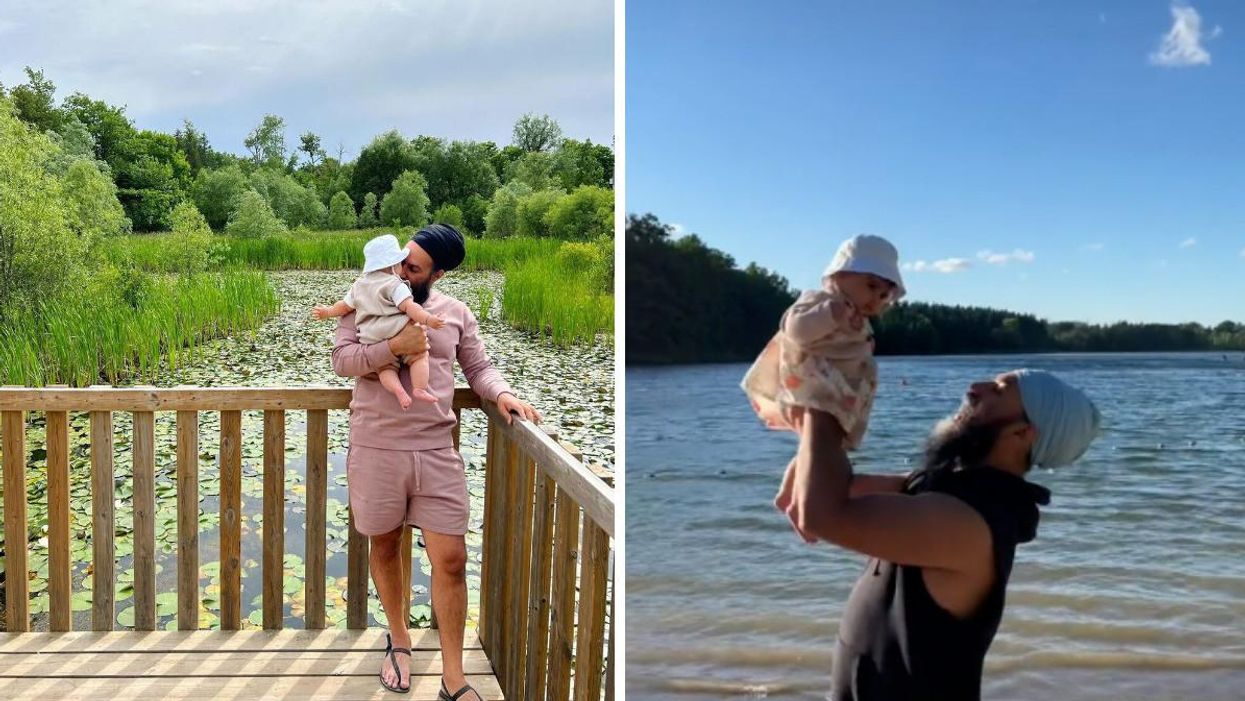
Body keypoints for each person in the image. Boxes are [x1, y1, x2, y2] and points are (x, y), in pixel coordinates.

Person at [784, 369, 1100, 700]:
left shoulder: (971, 521)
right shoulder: (946, 486)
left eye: (997, 391)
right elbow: (841, 489)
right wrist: (808, 446)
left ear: (1022, 433)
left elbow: (823, 514)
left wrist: (819, 405)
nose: (975, 388)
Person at [331, 223, 542, 699]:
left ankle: (454, 678)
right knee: (384, 547)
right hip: (376, 447)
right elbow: (341, 360)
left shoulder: (456, 313)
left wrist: (503, 394)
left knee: (451, 559)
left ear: (437, 273)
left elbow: (479, 368)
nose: (401, 270)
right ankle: (400, 642)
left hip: (435, 449)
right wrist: (392, 349)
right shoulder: (365, 293)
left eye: (414, 267)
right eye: (402, 259)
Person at [741, 234, 905, 539]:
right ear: (839, 274)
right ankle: (809, 513)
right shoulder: (823, 301)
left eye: (884, 295)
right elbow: (795, 329)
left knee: (816, 451)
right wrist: (830, 314)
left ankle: (790, 496)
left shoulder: (856, 315)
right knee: (821, 451)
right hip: (813, 389)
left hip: (837, 394)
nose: (876, 299)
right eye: (871, 286)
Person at [314, 233, 446, 408]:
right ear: (392, 266)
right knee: (419, 357)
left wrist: (327, 312)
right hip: (396, 329)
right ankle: (419, 389)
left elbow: (343, 306)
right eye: (400, 264)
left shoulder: (359, 286)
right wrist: (429, 319)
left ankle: (399, 392)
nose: (403, 271)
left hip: (371, 338)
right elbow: (410, 307)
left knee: (385, 369)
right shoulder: (394, 284)